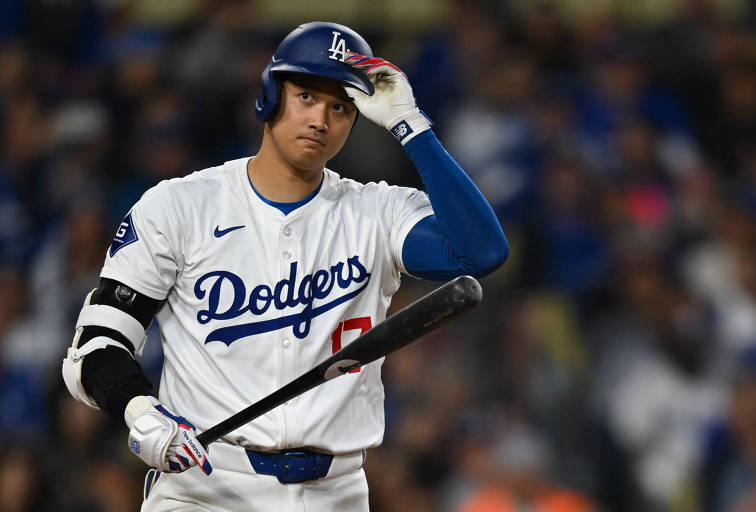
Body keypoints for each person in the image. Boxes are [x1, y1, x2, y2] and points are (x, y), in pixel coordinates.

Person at [61, 21, 508, 511]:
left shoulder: (377, 213)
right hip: (207, 487)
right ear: (270, 96)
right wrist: (140, 409)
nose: (321, 119)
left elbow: (479, 253)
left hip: (335, 492)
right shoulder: (179, 206)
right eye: (307, 96)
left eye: (340, 106)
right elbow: (97, 345)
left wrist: (412, 126)